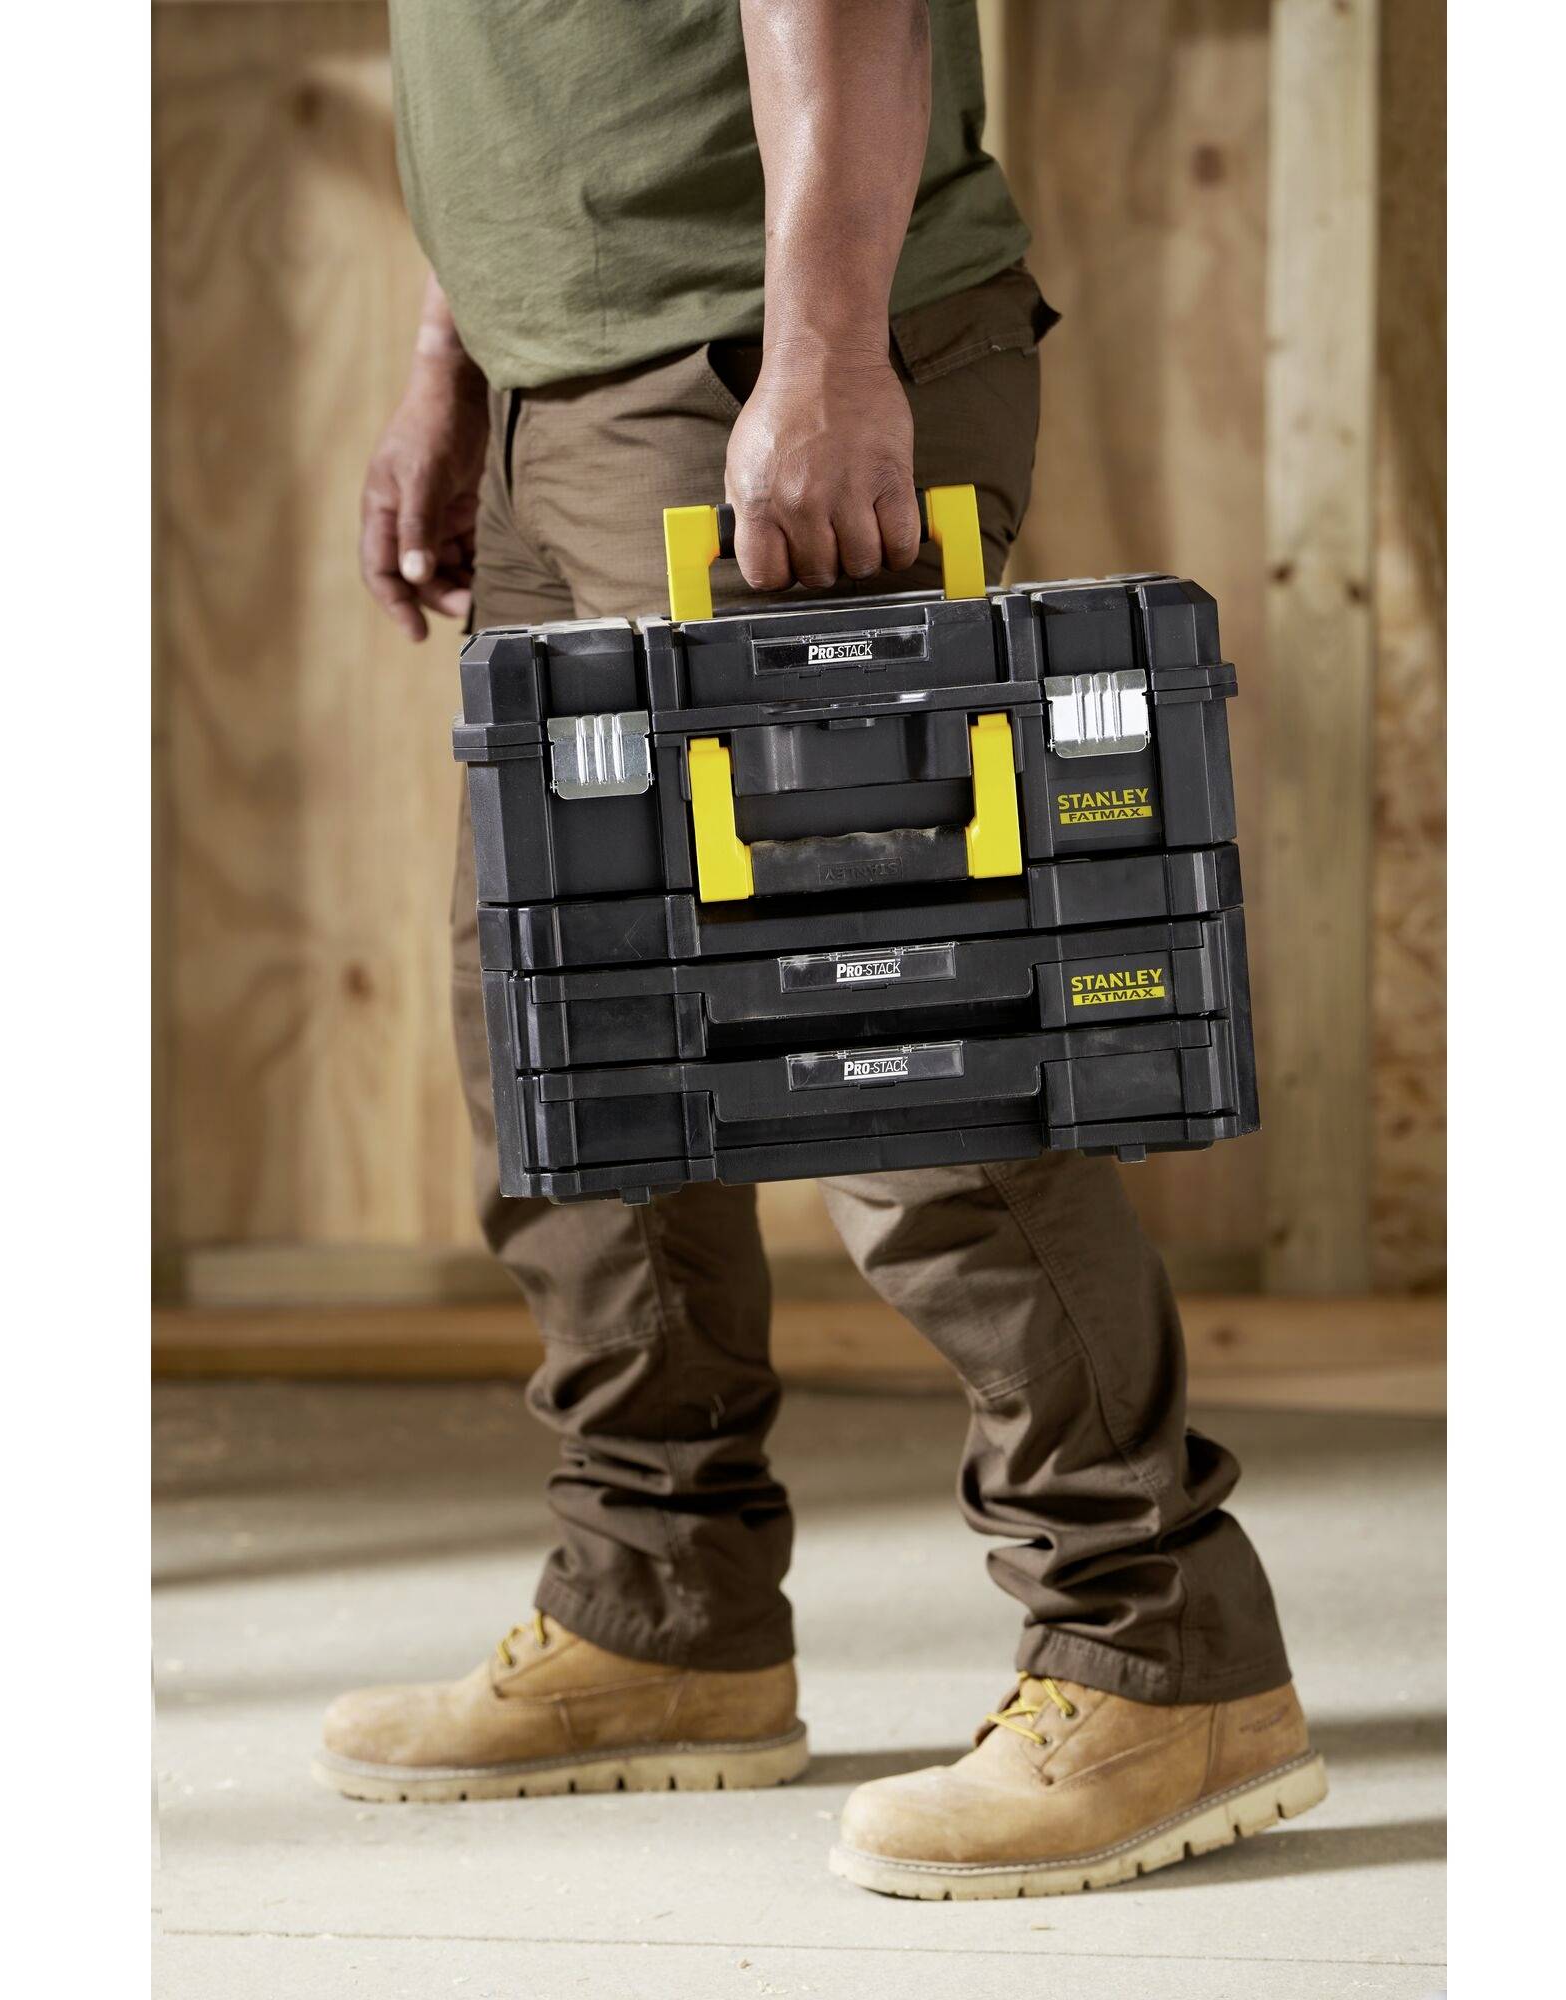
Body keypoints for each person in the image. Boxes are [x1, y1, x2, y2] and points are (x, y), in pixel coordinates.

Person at [315, 0, 1321, 1900]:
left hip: (749, 358)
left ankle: (1156, 1638)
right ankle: (662, 1609)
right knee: (573, 1032)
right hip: (579, 377)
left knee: (894, 1043)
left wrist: (831, 347)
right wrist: (457, 354)